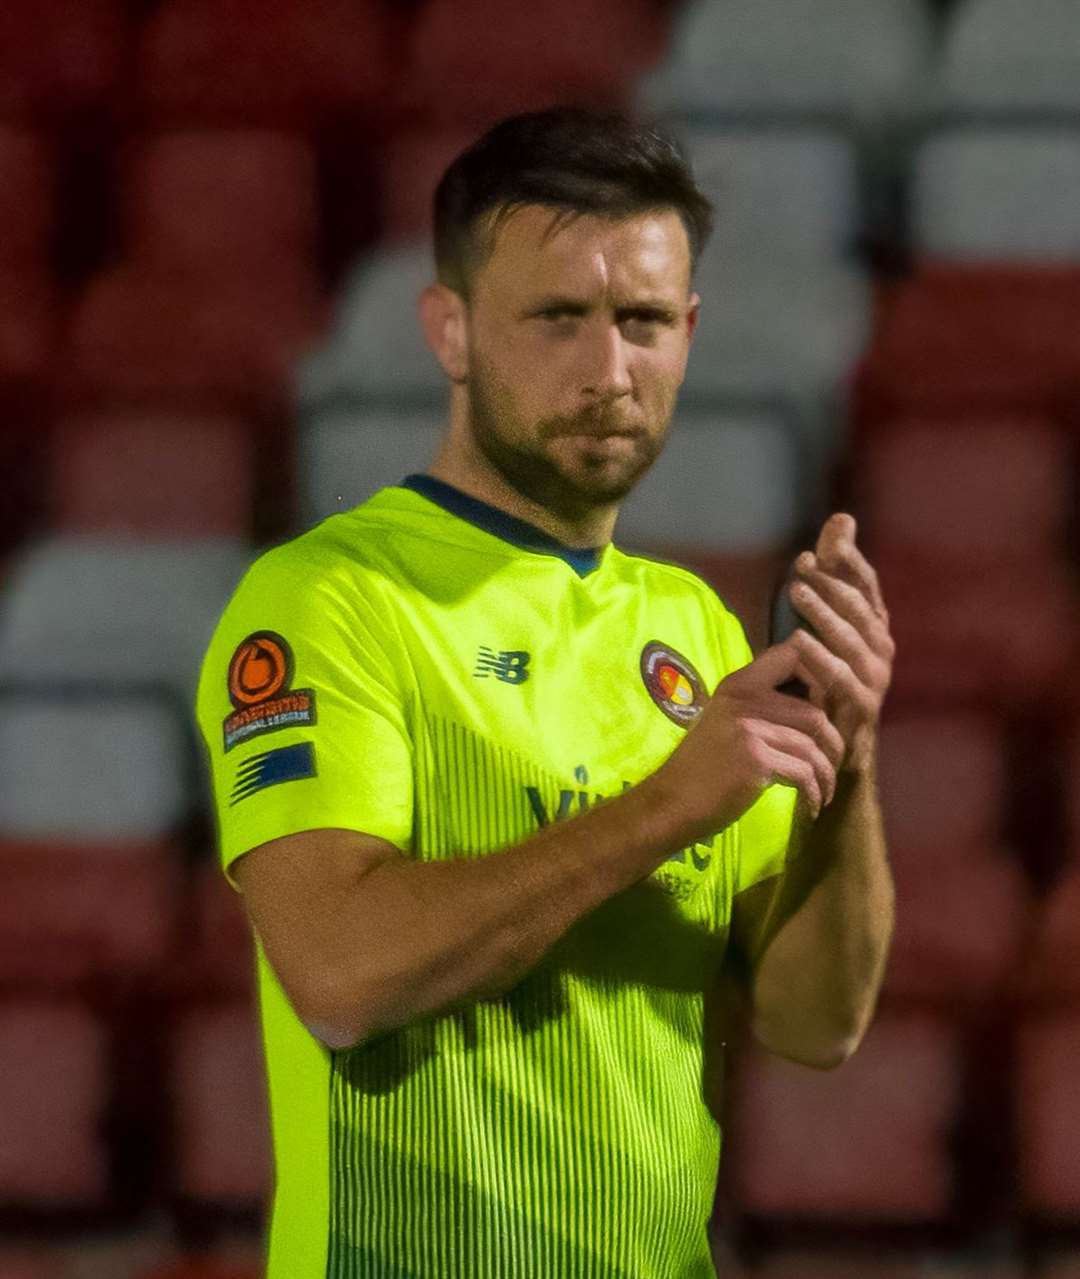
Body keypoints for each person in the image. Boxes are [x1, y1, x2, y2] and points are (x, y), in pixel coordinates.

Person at [195, 107, 896, 1279]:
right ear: (452, 330)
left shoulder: (692, 629)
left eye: (642, 322)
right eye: (559, 319)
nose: (609, 371)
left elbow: (815, 1025)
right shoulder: (328, 598)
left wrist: (853, 754)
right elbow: (341, 976)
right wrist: (666, 805)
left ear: (689, 332)